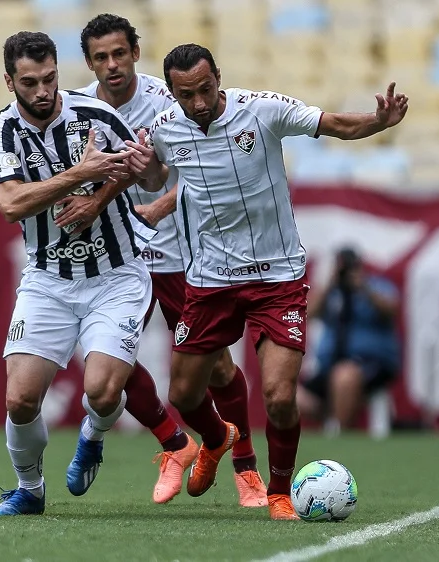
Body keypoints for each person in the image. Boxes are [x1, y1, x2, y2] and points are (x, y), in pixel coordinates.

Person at [123, 43, 408, 519]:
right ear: (172, 93)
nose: (198, 102)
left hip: (276, 278)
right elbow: (155, 177)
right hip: (210, 281)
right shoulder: (166, 130)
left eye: (206, 89)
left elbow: (334, 124)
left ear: (219, 76)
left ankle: (278, 494)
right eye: (186, 94)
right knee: (184, 396)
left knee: (278, 396)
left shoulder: (261, 111)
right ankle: (218, 438)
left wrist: (378, 122)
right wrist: (144, 172)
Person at [62, 13, 266, 507]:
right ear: (89, 62)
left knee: (215, 368)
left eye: (119, 53)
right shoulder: (78, 110)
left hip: (177, 251)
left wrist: (156, 205)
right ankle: (176, 444)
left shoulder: (167, 101)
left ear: (135, 51)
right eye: (101, 57)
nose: (112, 65)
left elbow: (204, 168)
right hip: (114, 256)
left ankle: (245, 466)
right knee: (110, 363)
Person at [0, 31, 164, 516]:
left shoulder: (98, 116)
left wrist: (143, 171)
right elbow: (9, 204)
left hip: (117, 275)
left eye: (49, 79)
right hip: (49, 279)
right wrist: (79, 176)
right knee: (20, 400)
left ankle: (92, 435)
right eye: (29, 82)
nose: (42, 91)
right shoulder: (2, 133)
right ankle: (30, 490)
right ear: (9, 81)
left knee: (102, 392)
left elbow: (150, 176)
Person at [298, 247, 401, 434]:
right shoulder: (332, 293)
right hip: (331, 364)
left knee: (344, 376)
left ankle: (338, 433)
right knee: (295, 397)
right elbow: (307, 314)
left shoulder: (377, 285)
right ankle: (335, 420)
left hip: (370, 362)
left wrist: (363, 286)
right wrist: (330, 283)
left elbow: (391, 309)